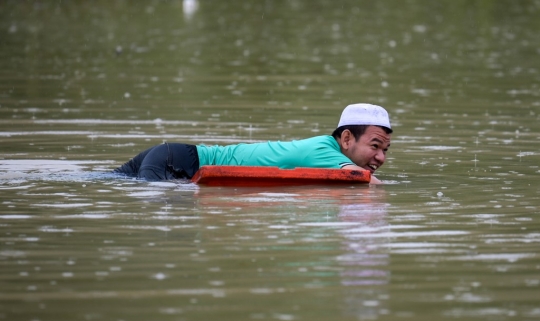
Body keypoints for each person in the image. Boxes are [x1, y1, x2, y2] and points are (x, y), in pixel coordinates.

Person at [114, 103, 392, 184]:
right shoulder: (325, 152)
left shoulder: (325, 149)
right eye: (375, 146)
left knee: (107, 181)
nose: (380, 157)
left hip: (173, 155)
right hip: (180, 163)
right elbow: (371, 187)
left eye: (385, 150)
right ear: (346, 139)